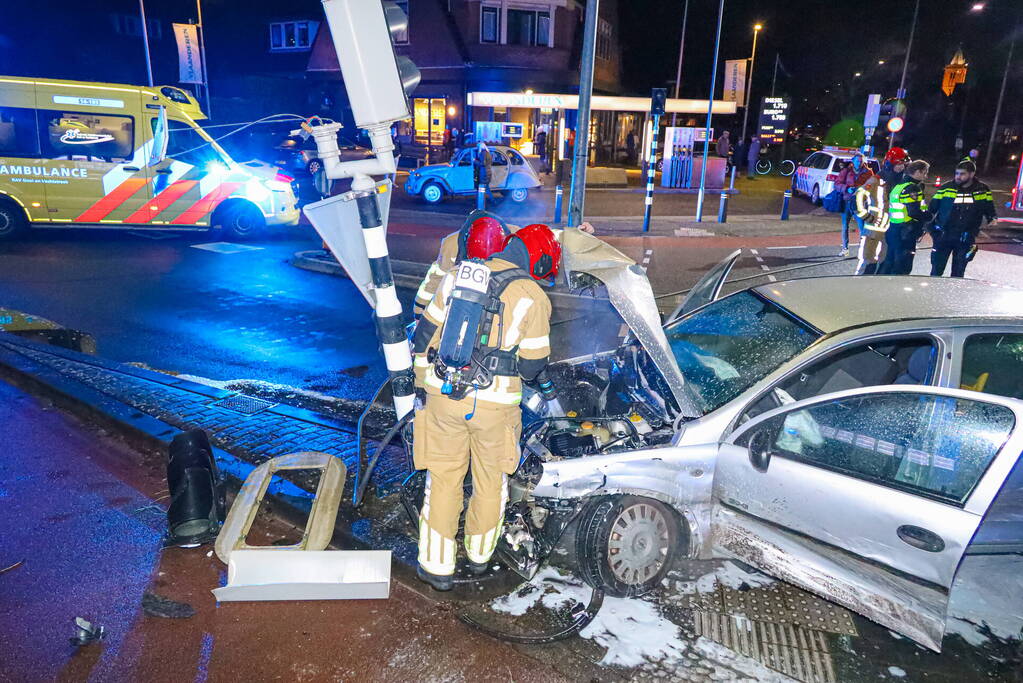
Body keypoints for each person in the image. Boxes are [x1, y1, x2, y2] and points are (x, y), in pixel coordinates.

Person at [411, 224, 560, 590]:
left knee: (442, 480)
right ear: (539, 261)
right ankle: (479, 558)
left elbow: (424, 333)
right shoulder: (533, 294)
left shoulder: (459, 274)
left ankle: (436, 567)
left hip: (444, 394)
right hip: (495, 408)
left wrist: (420, 384)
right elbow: (532, 365)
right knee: (491, 483)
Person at [413, 211, 596, 317]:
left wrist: (577, 234)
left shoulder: (512, 236)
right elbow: (433, 281)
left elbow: (545, 238)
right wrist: (419, 313)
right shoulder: (451, 246)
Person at [928, 159, 998, 278]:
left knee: (958, 273)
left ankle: (954, 290)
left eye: (962, 174)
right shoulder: (946, 188)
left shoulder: (982, 189)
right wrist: (931, 230)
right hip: (944, 235)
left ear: (972, 174)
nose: (958, 177)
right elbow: (931, 209)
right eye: (957, 173)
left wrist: (992, 218)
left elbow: (989, 206)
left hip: (966, 237)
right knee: (936, 270)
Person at [879, 159, 931, 275]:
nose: (926, 176)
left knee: (890, 263)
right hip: (906, 232)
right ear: (917, 172)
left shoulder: (899, 186)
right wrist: (929, 216)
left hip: (894, 229)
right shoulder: (912, 188)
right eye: (924, 173)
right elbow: (913, 212)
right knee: (903, 267)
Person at [834, 153, 874, 256]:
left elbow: (872, 185)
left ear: (863, 162)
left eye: (861, 161)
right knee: (845, 226)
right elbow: (837, 184)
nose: (859, 163)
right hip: (847, 201)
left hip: (860, 203)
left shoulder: (868, 172)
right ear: (853, 161)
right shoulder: (846, 171)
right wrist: (847, 188)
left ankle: (862, 249)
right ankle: (845, 248)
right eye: (857, 161)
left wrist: (862, 189)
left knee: (862, 226)